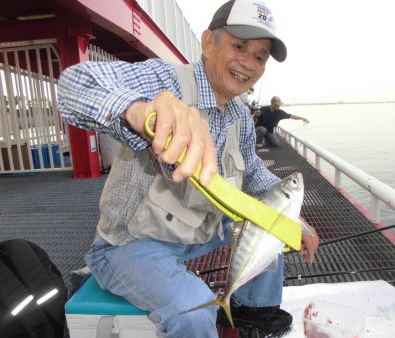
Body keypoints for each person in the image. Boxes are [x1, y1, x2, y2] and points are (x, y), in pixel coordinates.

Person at [57, 0, 319, 337]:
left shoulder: (240, 115)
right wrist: (138, 111)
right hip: (132, 244)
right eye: (239, 46)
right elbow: (74, 84)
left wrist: (294, 216)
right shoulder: (165, 80)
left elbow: (252, 172)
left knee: (272, 219)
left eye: (259, 56)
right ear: (208, 42)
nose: (248, 63)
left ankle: (251, 309)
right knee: (193, 311)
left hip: (200, 231)